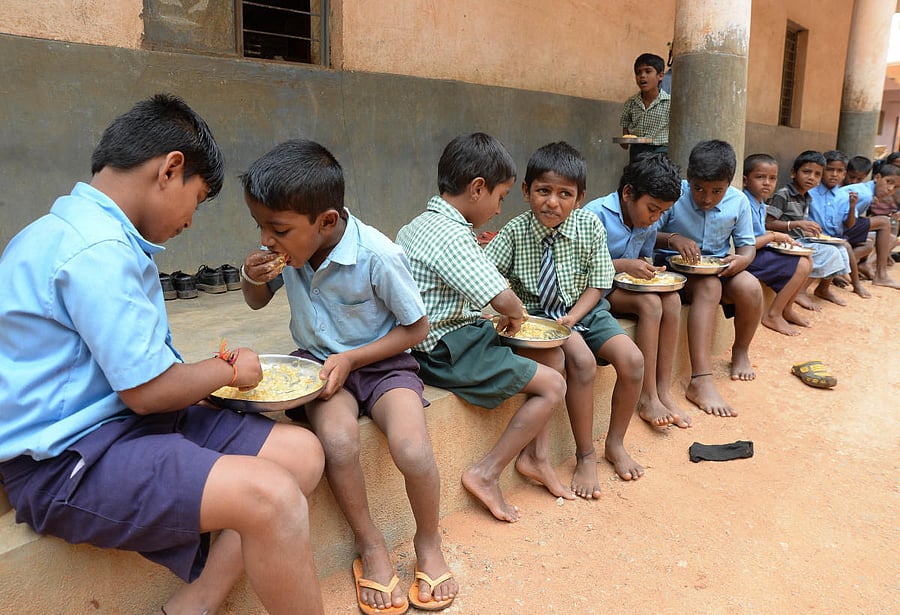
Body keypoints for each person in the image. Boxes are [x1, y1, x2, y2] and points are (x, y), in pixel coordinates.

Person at [0, 95, 325, 615]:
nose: (192, 220)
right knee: (273, 496)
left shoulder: (99, 236)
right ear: (170, 169)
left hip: (125, 424)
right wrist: (226, 370)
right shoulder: (95, 249)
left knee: (303, 455)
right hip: (70, 458)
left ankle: (198, 600)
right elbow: (148, 391)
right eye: (197, 199)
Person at [238, 139, 458, 613]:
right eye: (260, 226)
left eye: (277, 228)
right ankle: (371, 544)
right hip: (319, 367)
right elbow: (256, 300)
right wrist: (252, 276)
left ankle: (428, 541)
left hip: (382, 364)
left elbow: (416, 328)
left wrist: (355, 359)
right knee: (337, 443)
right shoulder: (290, 251)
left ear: (328, 222)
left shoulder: (378, 254)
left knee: (413, 449)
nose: (267, 239)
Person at [396, 132, 572, 524]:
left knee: (551, 353)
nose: (497, 210)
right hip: (443, 349)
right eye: (501, 197)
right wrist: (514, 316)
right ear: (478, 189)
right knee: (554, 384)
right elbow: (503, 299)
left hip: (446, 334)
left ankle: (536, 456)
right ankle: (486, 472)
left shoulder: (417, 225)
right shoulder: (452, 235)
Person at [484, 141, 646, 499]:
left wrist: (573, 316)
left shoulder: (589, 227)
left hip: (583, 309)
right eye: (543, 191)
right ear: (526, 191)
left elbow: (600, 281)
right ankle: (585, 454)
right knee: (583, 362)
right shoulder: (514, 231)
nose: (552, 202)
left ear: (580, 197)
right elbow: (486, 272)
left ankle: (615, 444)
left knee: (633, 360)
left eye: (564, 194)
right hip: (539, 316)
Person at [653, 140, 763, 418]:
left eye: (717, 191)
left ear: (729, 183)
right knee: (708, 285)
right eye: (699, 188)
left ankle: (740, 351)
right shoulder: (673, 194)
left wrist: (743, 260)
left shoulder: (738, 201)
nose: (706, 198)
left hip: (718, 267)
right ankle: (700, 379)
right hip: (673, 270)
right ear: (688, 178)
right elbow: (646, 231)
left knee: (750, 287)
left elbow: (747, 246)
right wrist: (674, 238)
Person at [583, 152, 691, 429]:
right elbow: (578, 268)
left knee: (672, 300)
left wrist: (649, 270)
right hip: (594, 292)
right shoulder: (595, 215)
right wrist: (624, 265)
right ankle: (647, 396)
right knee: (651, 305)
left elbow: (644, 258)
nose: (655, 218)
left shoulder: (647, 222)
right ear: (628, 192)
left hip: (623, 287)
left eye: (662, 213)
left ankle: (663, 391)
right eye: (652, 209)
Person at [766, 150, 851, 310]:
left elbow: (797, 225)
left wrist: (807, 231)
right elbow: (769, 223)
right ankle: (800, 291)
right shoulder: (783, 195)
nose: (811, 177)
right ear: (793, 173)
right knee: (829, 252)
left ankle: (823, 289)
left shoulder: (806, 197)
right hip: (783, 242)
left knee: (840, 247)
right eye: (806, 172)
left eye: (817, 174)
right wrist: (797, 224)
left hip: (797, 239)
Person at [742, 154, 814, 335]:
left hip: (758, 250)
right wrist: (774, 236)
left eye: (772, 178)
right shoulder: (745, 203)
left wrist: (783, 239)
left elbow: (760, 234)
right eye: (760, 177)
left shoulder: (759, 202)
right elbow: (747, 243)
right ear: (744, 180)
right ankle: (773, 314)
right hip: (747, 255)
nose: (767, 183)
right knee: (802, 264)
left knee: (807, 258)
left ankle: (787, 309)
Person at [808, 150, 872, 298]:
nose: (834, 174)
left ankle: (833, 287)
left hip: (833, 237)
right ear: (822, 171)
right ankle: (853, 285)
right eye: (830, 169)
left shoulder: (844, 195)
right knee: (842, 247)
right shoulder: (810, 192)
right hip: (813, 235)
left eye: (839, 171)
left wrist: (852, 207)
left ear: (844, 174)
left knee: (841, 244)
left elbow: (849, 225)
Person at [834, 161, 900, 289]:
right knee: (884, 222)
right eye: (889, 182)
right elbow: (847, 222)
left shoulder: (865, 190)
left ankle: (845, 269)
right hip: (833, 227)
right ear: (877, 178)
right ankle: (881, 275)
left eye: (896, 187)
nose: (891, 189)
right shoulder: (865, 195)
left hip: (838, 226)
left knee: (870, 243)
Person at [620, 52, 670, 163]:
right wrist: (624, 141)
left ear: (660, 76)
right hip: (637, 153)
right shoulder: (631, 103)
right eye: (638, 73)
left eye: (648, 71)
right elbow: (625, 136)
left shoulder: (669, 103)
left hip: (661, 153)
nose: (642, 76)